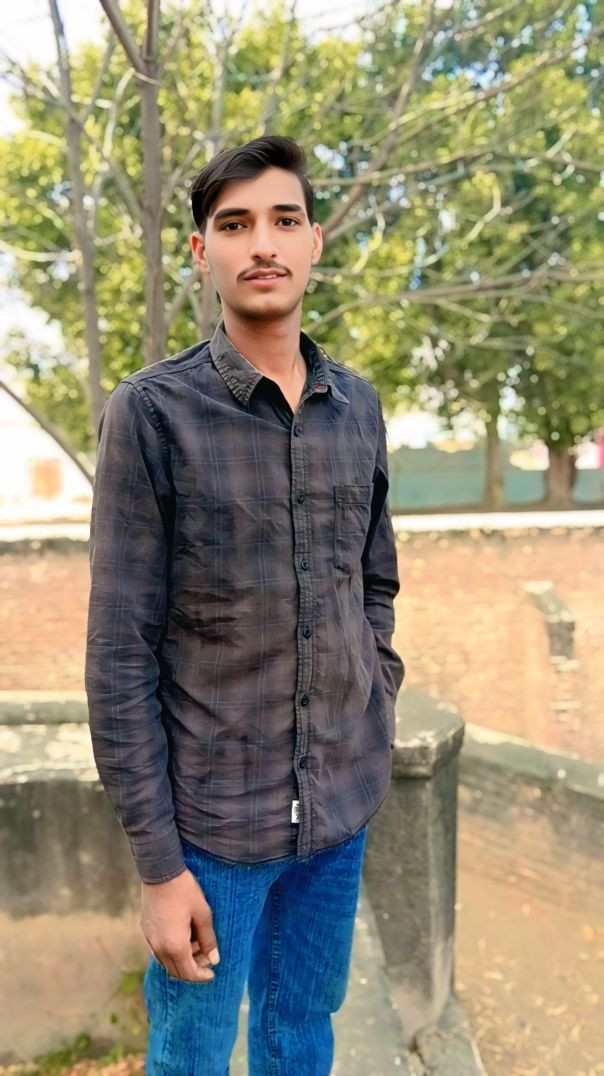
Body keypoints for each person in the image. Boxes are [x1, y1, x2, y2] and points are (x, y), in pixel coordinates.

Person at [84, 134, 405, 1076]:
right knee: (189, 1053)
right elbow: (119, 654)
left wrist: (374, 696)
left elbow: (373, 582)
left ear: (313, 242)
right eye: (235, 225)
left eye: (284, 220)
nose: (262, 243)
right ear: (202, 251)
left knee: (301, 1032)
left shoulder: (359, 408)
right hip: (212, 830)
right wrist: (159, 866)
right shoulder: (152, 415)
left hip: (340, 810)